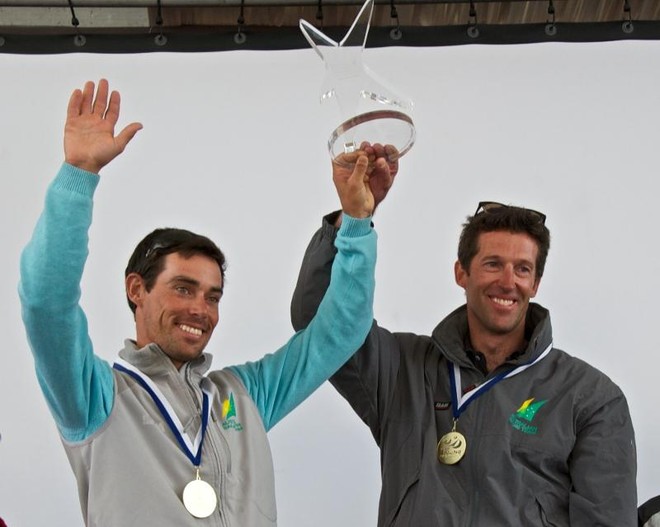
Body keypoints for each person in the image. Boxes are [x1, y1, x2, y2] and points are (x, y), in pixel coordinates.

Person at [18, 79, 384, 526]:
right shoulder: (94, 397)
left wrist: (357, 223)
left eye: (213, 296)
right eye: (183, 288)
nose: (201, 310)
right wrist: (78, 175)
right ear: (137, 289)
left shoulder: (243, 395)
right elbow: (46, 303)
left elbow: (339, 333)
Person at [291, 146, 637, 526]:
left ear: (536, 283)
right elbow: (317, 320)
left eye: (522, 269)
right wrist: (354, 218)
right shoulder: (401, 371)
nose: (508, 282)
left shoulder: (591, 399)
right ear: (461, 273)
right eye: (492, 264)